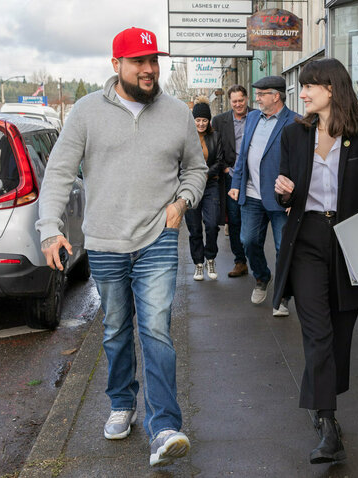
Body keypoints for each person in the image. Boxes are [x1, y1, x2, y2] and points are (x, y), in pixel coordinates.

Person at [34, 27, 207, 467]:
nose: (149, 69)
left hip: (158, 239)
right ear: (117, 66)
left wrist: (183, 201)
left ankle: (164, 426)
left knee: (156, 331)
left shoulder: (177, 114)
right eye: (139, 62)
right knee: (115, 330)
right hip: (107, 242)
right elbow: (57, 173)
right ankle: (121, 401)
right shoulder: (87, 112)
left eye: (153, 60)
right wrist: (50, 229)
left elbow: (196, 168)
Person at [273, 58, 358, 464]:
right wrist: (283, 192)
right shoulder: (295, 134)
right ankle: (327, 424)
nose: (302, 93)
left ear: (331, 89)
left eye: (309, 87)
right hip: (306, 240)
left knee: (340, 336)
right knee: (318, 332)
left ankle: (325, 409)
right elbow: (286, 193)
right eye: (302, 87)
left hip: (350, 243)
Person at [228, 75, 299, 316]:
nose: (256, 98)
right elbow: (242, 154)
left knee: (284, 248)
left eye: (261, 94)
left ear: (276, 96)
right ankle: (262, 277)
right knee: (248, 241)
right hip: (251, 195)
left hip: (281, 199)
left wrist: (294, 197)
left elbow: (302, 165)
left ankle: (282, 296)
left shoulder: (296, 122)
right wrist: (237, 181)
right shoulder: (252, 118)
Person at [211, 85, 251, 278]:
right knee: (234, 220)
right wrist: (225, 168)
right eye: (234, 101)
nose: (238, 104)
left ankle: (255, 257)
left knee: (254, 219)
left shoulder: (257, 117)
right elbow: (214, 147)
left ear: (246, 99)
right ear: (230, 102)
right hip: (232, 176)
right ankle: (240, 261)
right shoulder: (219, 121)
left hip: (254, 177)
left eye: (240, 100)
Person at [185, 96, 226, 281]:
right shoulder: (185, 138)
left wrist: (205, 174)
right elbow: (180, 162)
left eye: (204, 120)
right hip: (190, 187)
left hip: (210, 185)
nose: (201, 124)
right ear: (193, 120)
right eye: (198, 120)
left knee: (211, 224)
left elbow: (219, 161)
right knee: (194, 228)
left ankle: (210, 258)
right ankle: (198, 264)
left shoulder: (215, 136)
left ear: (209, 120)